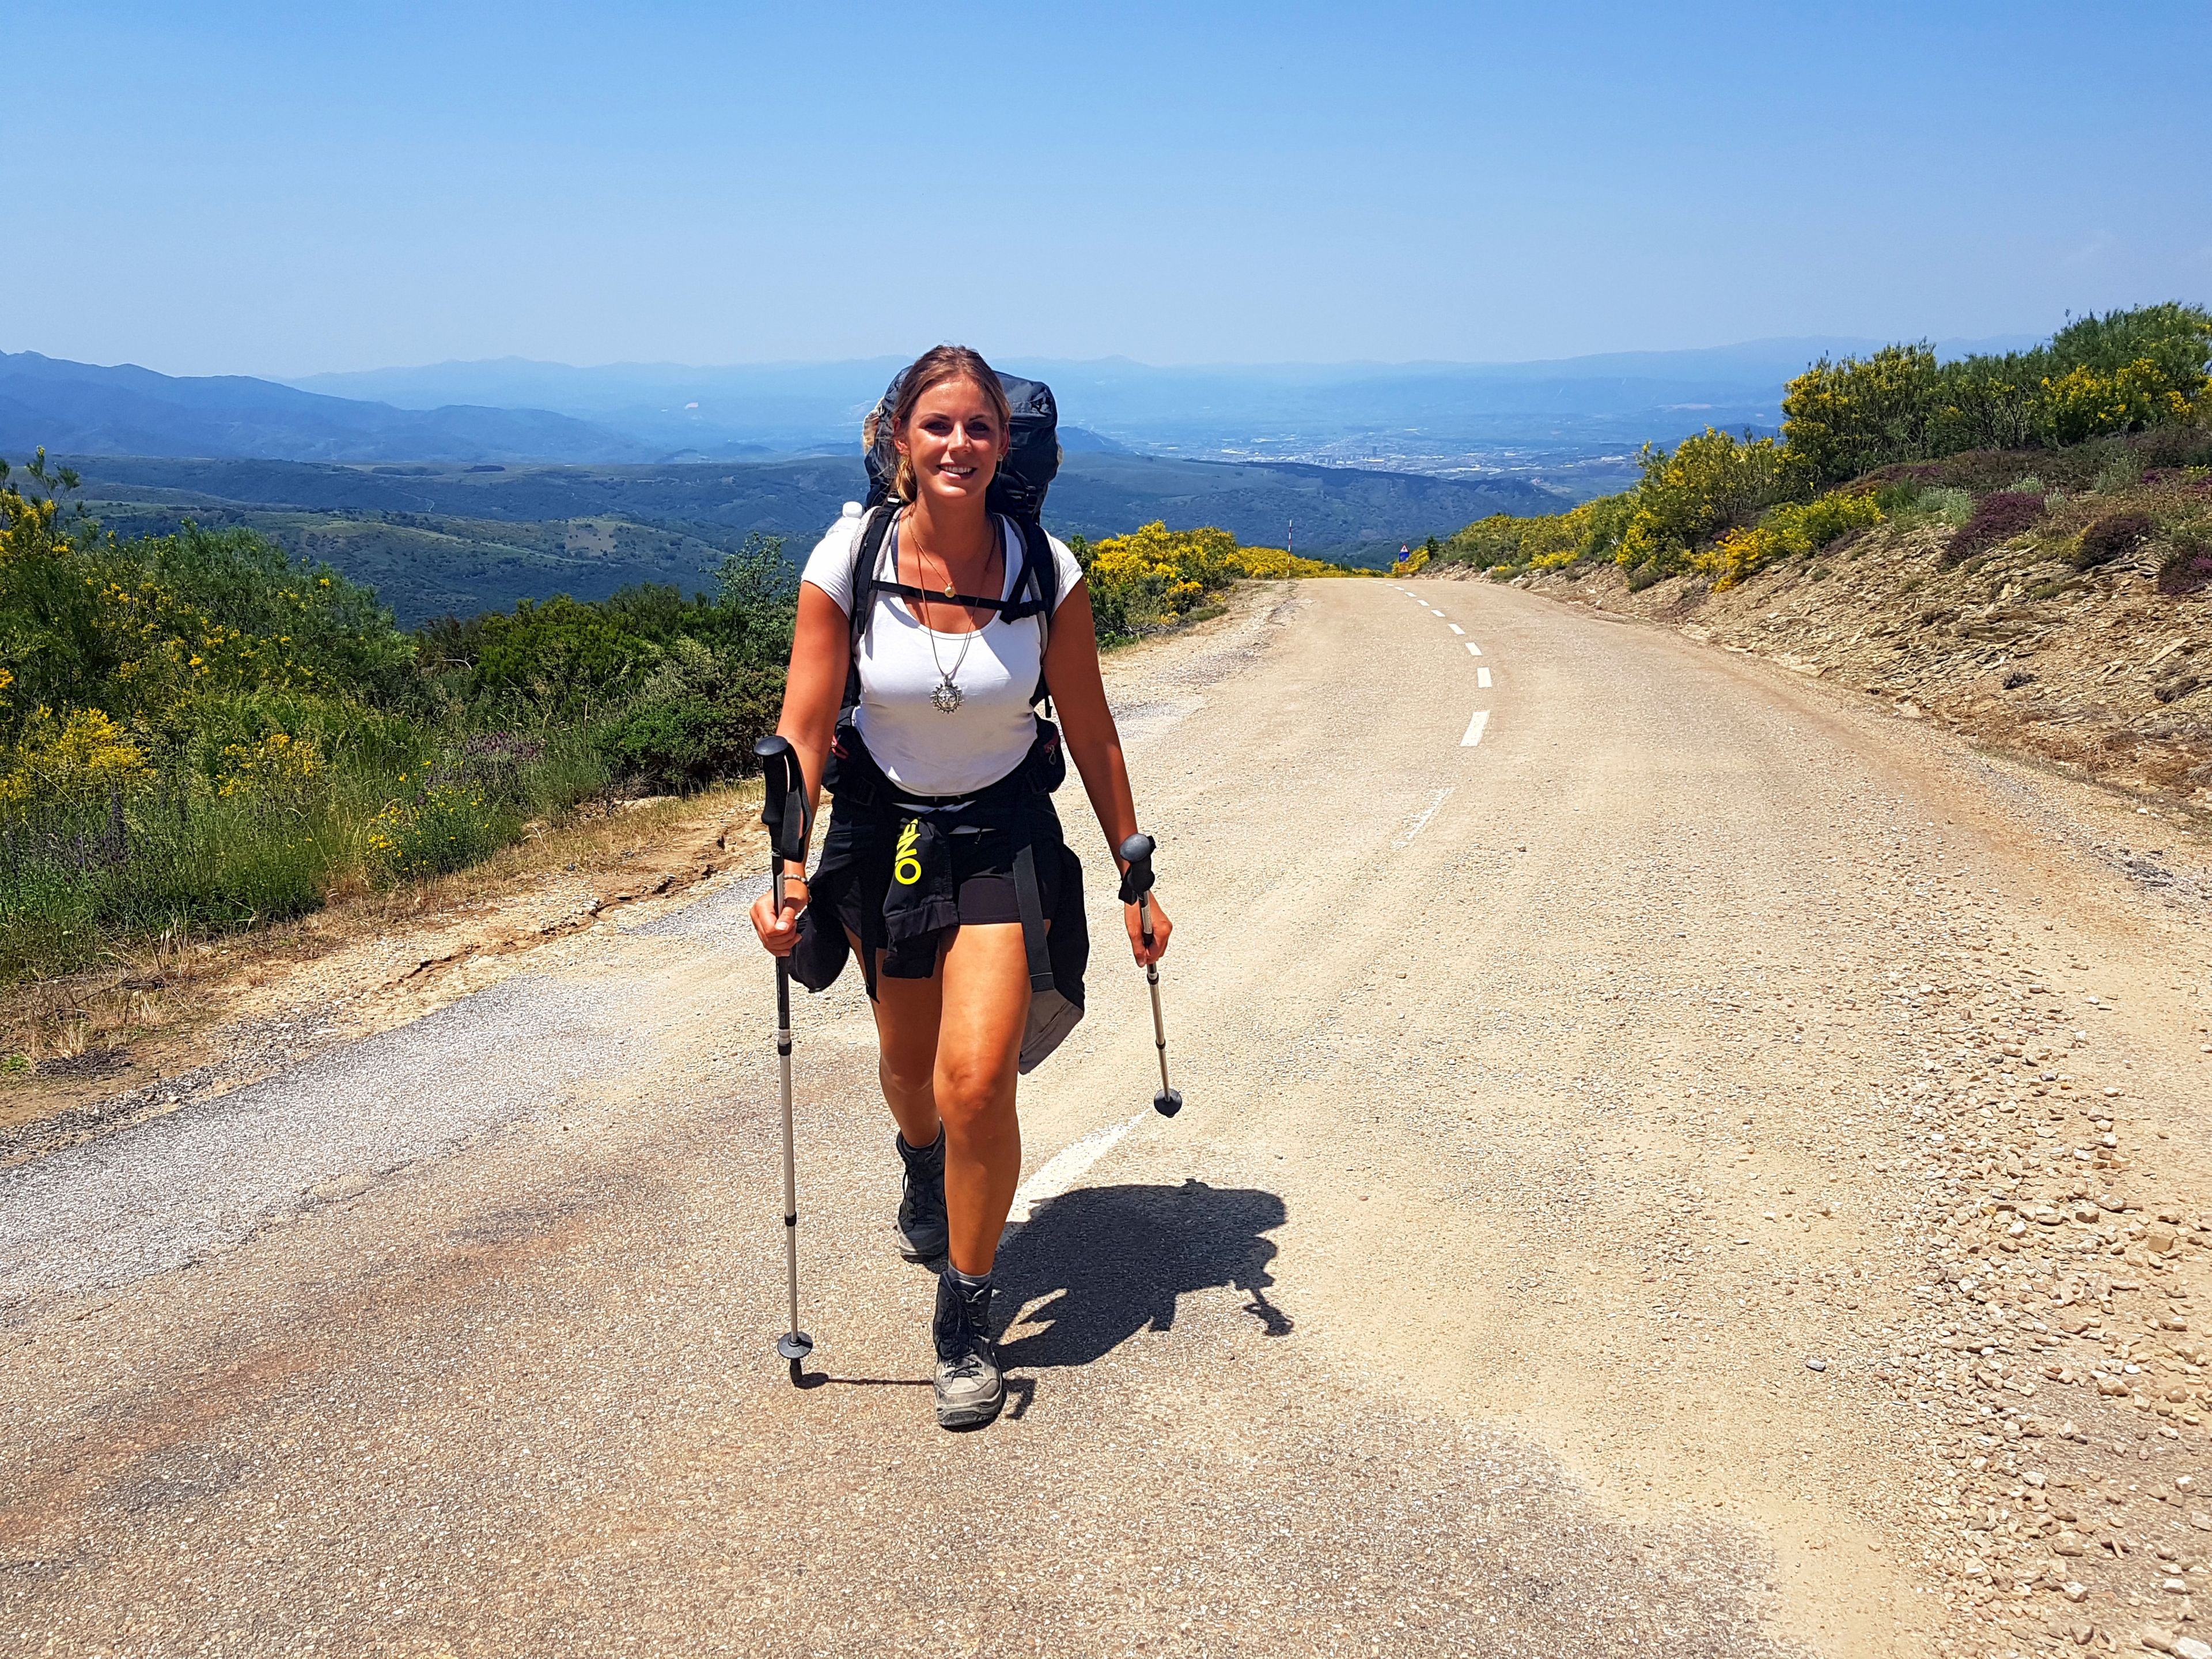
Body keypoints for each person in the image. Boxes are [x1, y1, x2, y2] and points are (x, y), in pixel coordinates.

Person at [749, 344, 1172, 1430]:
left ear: (1005, 444)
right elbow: (802, 726)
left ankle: (967, 1312)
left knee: (976, 1079)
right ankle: (919, 1162)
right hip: (885, 836)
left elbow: (1088, 724)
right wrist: (788, 871)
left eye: (978, 428)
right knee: (908, 1072)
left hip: (1000, 839)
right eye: (936, 427)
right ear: (900, 439)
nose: (958, 446)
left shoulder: (1044, 568)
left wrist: (1134, 865)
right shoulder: (850, 557)